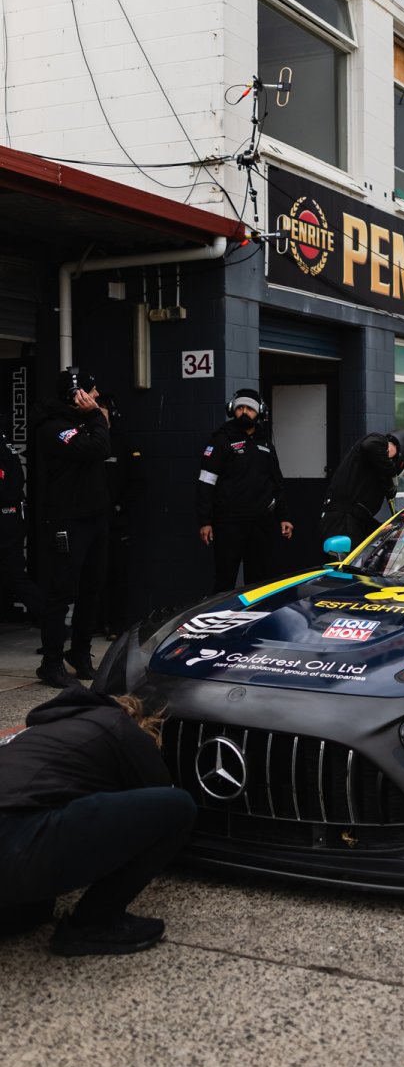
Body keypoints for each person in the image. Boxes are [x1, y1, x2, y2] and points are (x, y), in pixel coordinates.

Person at [0, 682, 195, 953]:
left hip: (13, 833)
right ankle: (94, 924)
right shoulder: (118, 724)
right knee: (179, 807)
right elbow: (159, 797)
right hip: (12, 838)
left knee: (36, 909)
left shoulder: (38, 732)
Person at [32, 367, 112, 687]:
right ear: (77, 395)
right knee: (61, 593)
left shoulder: (82, 422)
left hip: (95, 517)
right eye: (91, 391)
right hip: (67, 520)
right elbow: (100, 448)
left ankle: (79, 654)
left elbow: (103, 444)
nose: (96, 396)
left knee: (92, 590)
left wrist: (95, 420)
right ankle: (51, 663)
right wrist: (95, 417)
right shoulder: (54, 427)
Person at [197, 388, 293, 591]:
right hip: (228, 523)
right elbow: (205, 483)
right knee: (225, 580)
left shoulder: (265, 441)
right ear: (232, 409)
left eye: (249, 409)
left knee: (258, 583)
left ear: (259, 412)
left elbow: (276, 481)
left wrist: (284, 516)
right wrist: (205, 521)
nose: (244, 412)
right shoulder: (221, 440)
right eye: (240, 407)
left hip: (261, 523)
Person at [321, 430, 404, 546]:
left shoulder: (374, 469)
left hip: (349, 522)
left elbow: (361, 515)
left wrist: (382, 529)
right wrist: (390, 474)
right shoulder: (377, 441)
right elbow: (369, 445)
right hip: (341, 522)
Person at [97, 393, 144, 639]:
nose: (98, 414)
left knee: (117, 574)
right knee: (90, 574)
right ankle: (92, 623)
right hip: (88, 519)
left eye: (102, 410)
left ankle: (116, 624)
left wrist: (119, 507)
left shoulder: (123, 443)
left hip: (116, 522)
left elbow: (137, 483)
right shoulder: (83, 442)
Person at [0, 434, 41, 625]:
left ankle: (50, 621)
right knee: (12, 572)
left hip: (6, 517)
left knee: (14, 574)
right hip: (12, 515)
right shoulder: (4, 440)